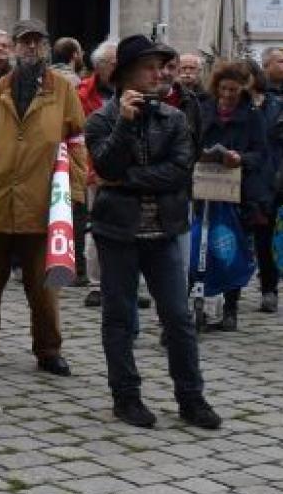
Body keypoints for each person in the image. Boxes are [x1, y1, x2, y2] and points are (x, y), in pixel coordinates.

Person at [84, 35, 221, 429]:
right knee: (119, 318)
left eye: (162, 66)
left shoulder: (174, 118)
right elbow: (106, 167)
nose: (160, 74)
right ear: (125, 73)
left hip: (164, 231)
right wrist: (125, 126)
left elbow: (179, 172)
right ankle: (126, 398)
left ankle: (191, 399)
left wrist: (128, 180)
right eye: (150, 66)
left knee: (178, 319)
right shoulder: (102, 120)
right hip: (117, 234)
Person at [0, 18, 86, 378]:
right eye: (24, 42)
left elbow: (77, 145)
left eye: (37, 42)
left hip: (43, 203)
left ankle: (48, 350)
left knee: (44, 288)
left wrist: (71, 197)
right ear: (14, 47)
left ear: (45, 47)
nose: (31, 48)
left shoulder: (62, 90)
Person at [199, 60, 272, 329]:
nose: (228, 95)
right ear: (216, 88)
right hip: (205, 189)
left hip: (239, 191)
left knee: (231, 248)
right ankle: (203, 305)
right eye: (224, 89)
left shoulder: (252, 116)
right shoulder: (203, 109)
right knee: (202, 246)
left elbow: (261, 154)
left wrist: (240, 157)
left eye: (234, 90)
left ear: (242, 89)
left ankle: (230, 308)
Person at [78, 40, 118, 303]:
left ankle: (125, 283)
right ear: (101, 66)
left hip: (126, 169)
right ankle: (96, 284)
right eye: (114, 63)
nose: (119, 68)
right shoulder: (83, 93)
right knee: (96, 226)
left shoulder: (131, 90)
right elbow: (78, 136)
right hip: (94, 169)